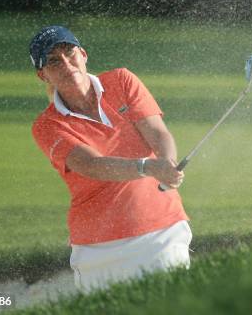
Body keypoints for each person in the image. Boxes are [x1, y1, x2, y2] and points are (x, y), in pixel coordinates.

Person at [29, 25, 191, 293]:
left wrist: (167, 162)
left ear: (83, 54)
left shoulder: (122, 81)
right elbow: (90, 165)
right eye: (54, 61)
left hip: (162, 228)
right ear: (42, 75)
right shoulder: (46, 126)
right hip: (97, 248)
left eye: (70, 53)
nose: (67, 64)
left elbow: (158, 132)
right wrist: (148, 167)